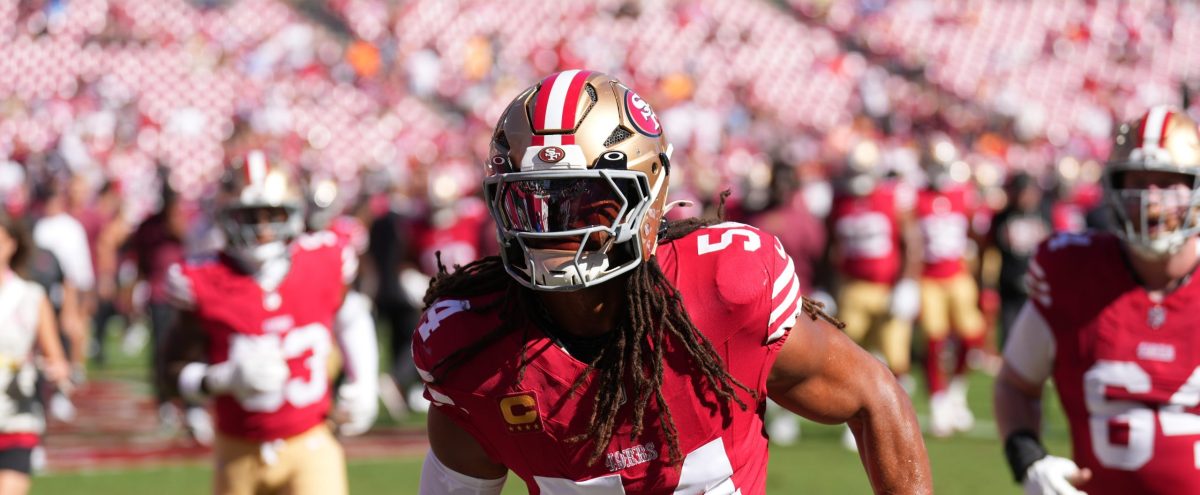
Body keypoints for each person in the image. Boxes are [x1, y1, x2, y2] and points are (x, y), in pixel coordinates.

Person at [415, 71, 931, 493]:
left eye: (584, 201)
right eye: (532, 200)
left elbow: (873, 396)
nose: (555, 229)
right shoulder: (472, 349)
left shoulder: (725, 291)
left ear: (649, 196)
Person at [995, 106, 1200, 494]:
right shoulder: (1071, 273)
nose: (1151, 201)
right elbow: (1015, 385)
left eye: (1166, 183)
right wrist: (1029, 458)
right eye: (1137, 182)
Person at [162, 151, 365, 495]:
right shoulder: (201, 279)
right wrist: (221, 379)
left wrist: (364, 383)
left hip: (310, 441)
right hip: (237, 449)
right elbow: (169, 373)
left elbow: (353, 316)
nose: (263, 228)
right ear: (226, 217)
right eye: (248, 216)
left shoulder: (326, 259)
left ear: (294, 214)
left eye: (274, 214)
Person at [914, 134, 986, 437]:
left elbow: (976, 232)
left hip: (957, 273)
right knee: (934, 339)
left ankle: (956, 390)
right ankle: (938, 399)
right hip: (929, 276)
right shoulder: (917, 197)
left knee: (972, 335)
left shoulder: (963, 194)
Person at [0, 213, 70, 495]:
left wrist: (56, 370)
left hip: (17, 414)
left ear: (12, 244)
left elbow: (57, 359)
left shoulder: (31, 296)